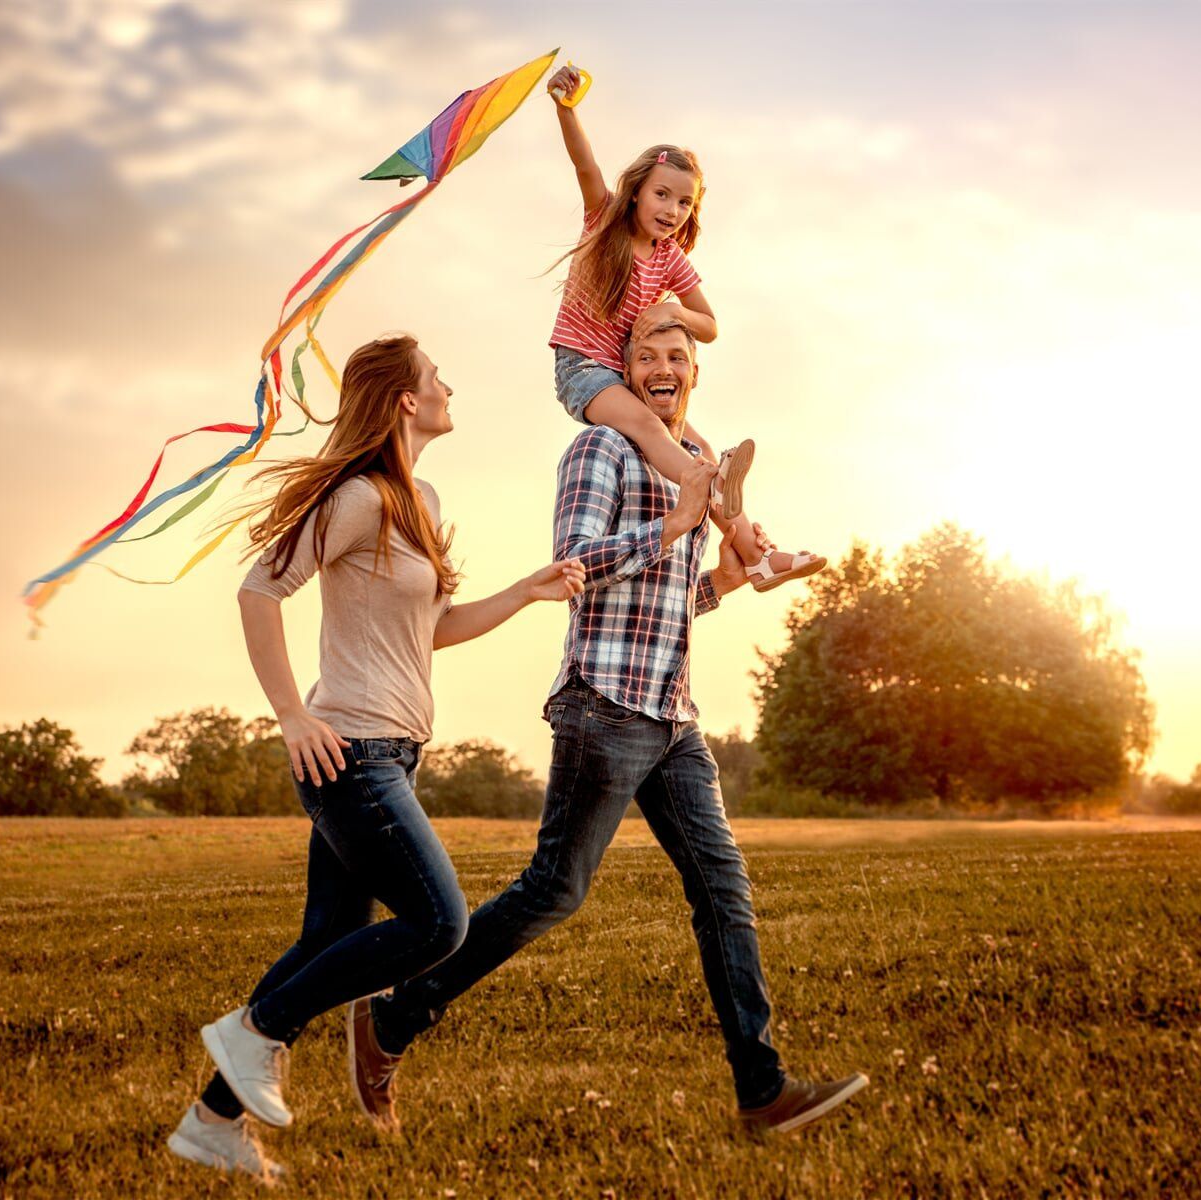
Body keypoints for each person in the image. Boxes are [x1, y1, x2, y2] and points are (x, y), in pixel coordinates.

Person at [353, 319, 867, 1134]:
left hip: (673, 713)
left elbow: (666, 604)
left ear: (692, 377)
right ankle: (394, 1018)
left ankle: (761, 1093)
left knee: (723, 890)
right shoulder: (599, 452)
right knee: (554, 890)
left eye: (678, 358)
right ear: (621, 376)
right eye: (646, 358)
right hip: (603, 706)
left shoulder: (685, 466)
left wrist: (723, 582)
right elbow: (574, 567)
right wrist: (674, 524)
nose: (664, 368)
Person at [165, 334, 587, 1178]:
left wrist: (524, 591)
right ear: (403, 398)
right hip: (346, 749)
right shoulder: (357, 496)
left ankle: (210, 1124)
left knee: (329, 935)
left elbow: (429, 632)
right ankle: (254, 1031)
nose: (447, 385)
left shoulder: (417, 497)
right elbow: (260, 588)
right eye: (436, 376)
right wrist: (291, 714)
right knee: (439, 923)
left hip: (392, 750)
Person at [541, 61, 824, 595]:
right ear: (636, 193)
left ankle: (758, 558)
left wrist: (674, 312)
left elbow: (710, 324)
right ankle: (711, 485)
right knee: (655, 434)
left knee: (702, 450)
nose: (672, 209)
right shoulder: (604, 221)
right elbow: (584, 166)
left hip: (624, 377)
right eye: (662, 195)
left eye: (684, 201)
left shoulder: (670, 258)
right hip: (582, 370)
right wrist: (566, 109)